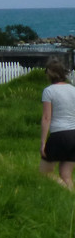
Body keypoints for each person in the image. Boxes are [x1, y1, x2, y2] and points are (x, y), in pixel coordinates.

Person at [40, 57, 75, 189]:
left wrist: (43, 142)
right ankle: (71, 201)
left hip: (59, 135)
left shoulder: (49, 91)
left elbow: (46, 118)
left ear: (50, 73)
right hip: (74, 134)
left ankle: (65, 190)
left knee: (44, 172)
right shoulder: (73, 89)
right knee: (66, 175)